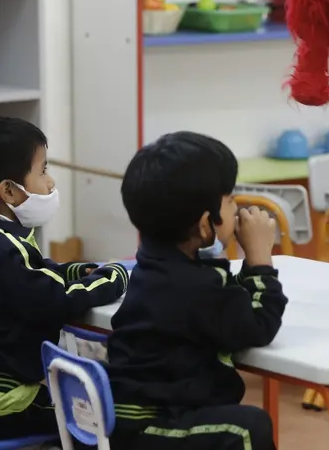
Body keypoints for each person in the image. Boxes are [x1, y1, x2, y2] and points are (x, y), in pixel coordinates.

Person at [0, 115, 129, 441]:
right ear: (8, 191)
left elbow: (33, 274)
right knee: (100, 413)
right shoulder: (5, 249)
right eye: (42, 171)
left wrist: (73, 271)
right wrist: (114, 278)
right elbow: (59, 301)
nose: (50, 182)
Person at [106, 131, 286, 450]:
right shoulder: (195, 285)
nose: (237, 207)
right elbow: (258, 325)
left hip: (136, 419)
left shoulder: (156, 264)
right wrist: (259, 259)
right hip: (151, 428)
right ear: (206, 225)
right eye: (229, 200)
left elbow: (232, 305)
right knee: (248, 428)